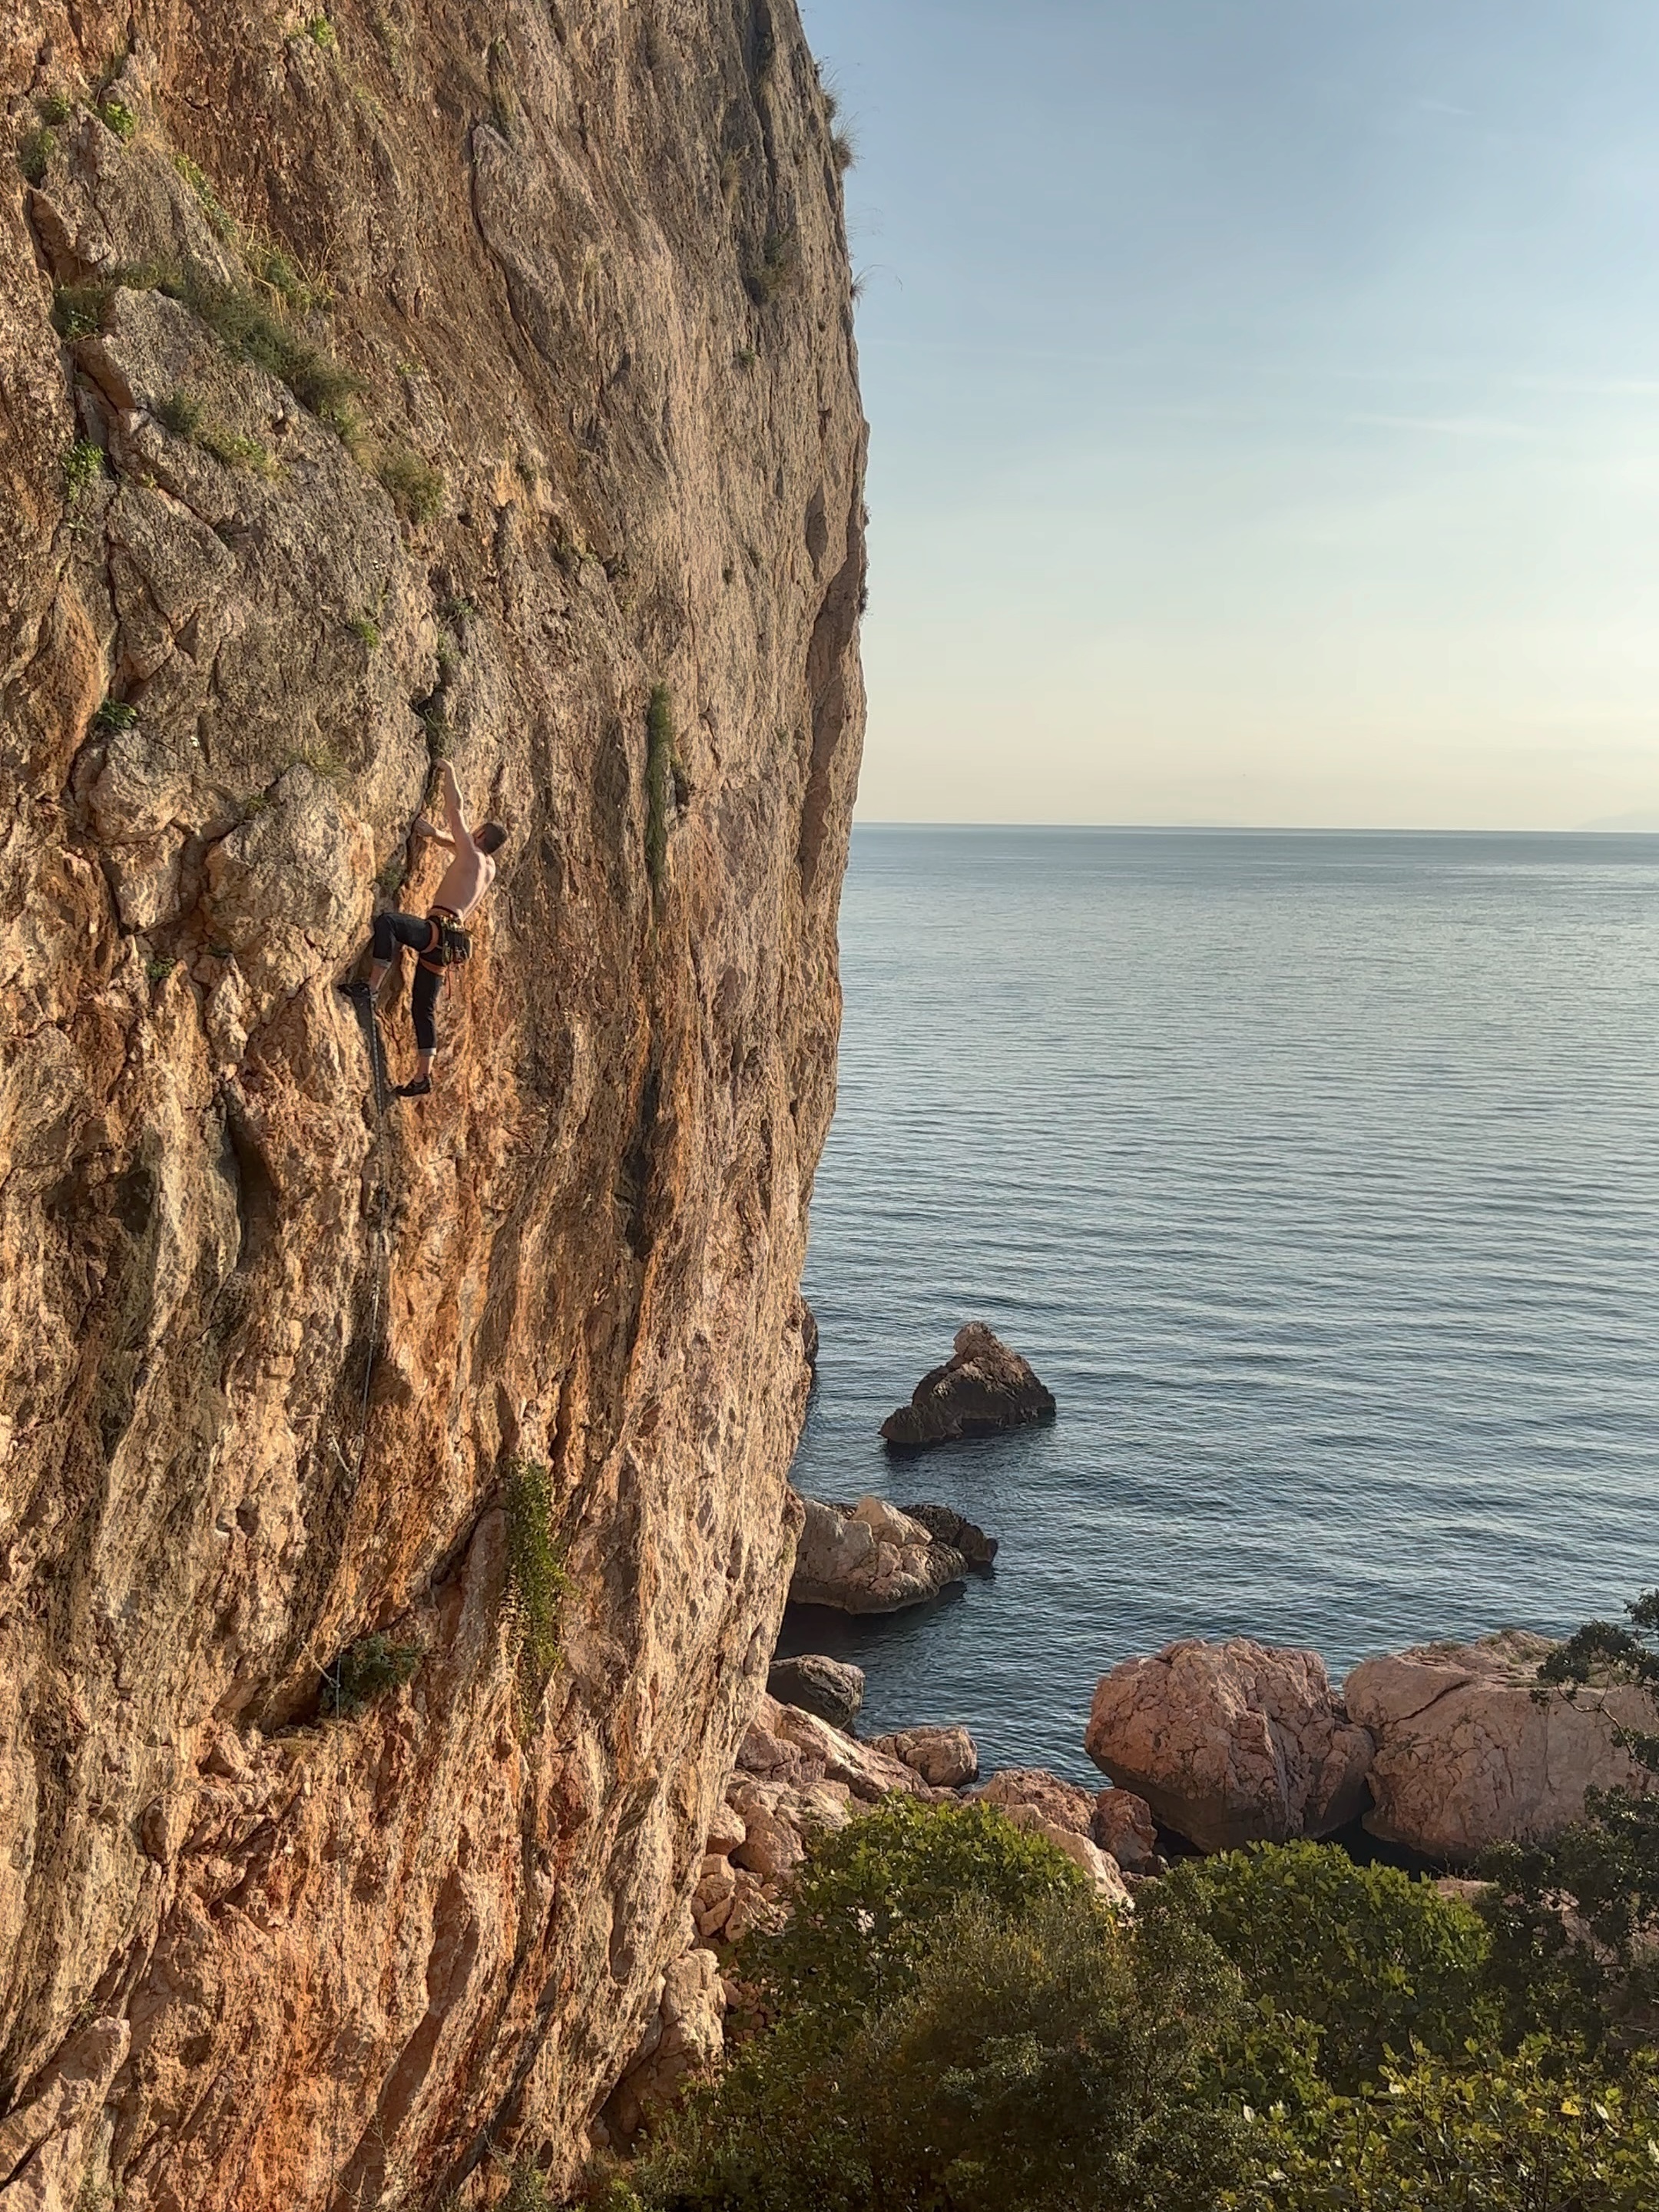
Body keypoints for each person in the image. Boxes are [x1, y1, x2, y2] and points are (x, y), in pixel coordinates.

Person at [339, 762, 506, 1098]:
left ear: (480, 836)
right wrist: (433, 836)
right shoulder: (487, 867)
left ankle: (370, 988)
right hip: (451, 943)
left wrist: (449, 770)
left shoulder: (472, 851)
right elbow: (456, 848)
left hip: (437, 929)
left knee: (389, 923)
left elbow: (454, 807)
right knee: (422, 1007)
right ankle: (422, 1077)